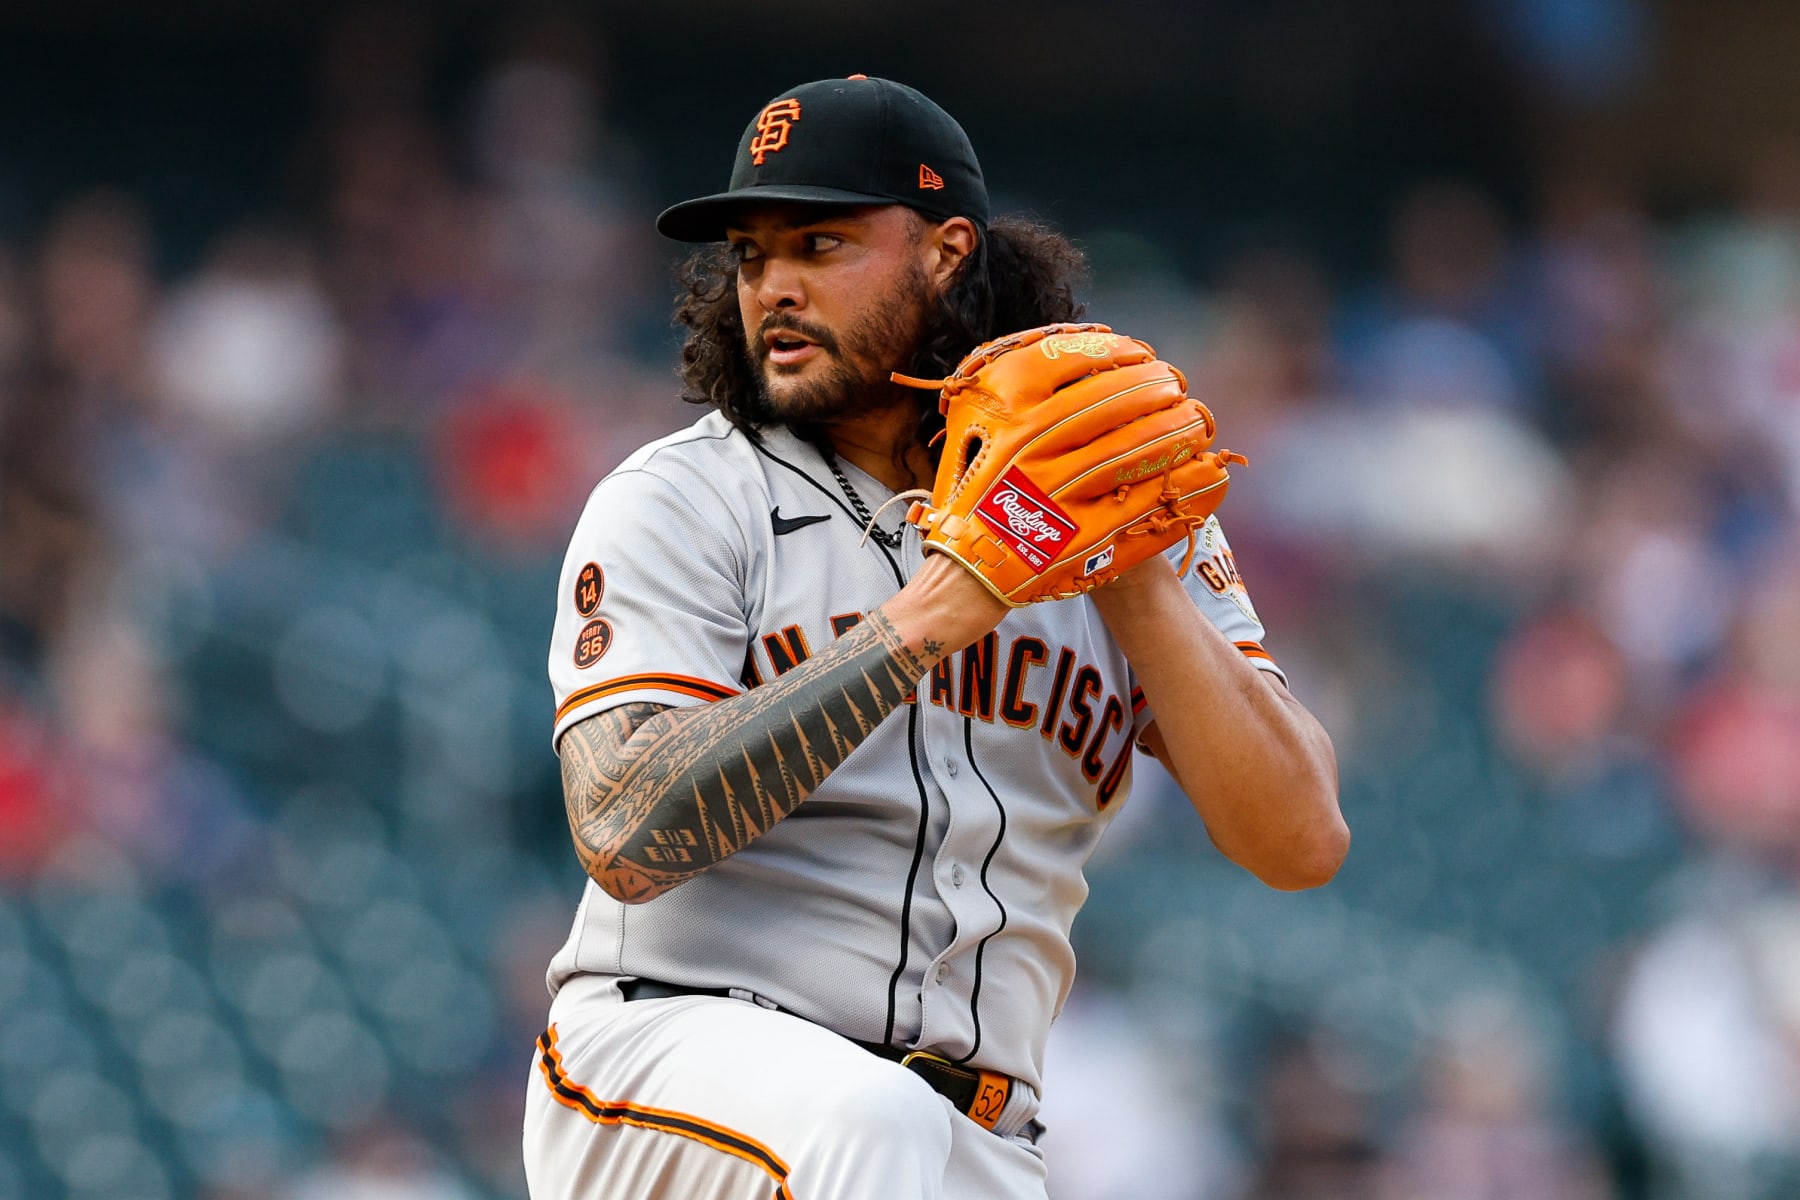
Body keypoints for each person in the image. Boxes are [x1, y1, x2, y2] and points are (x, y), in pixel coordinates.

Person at [522, 75, 1346, 1200]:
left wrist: (1133, 573)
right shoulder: (685, 496)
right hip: (672, 1066)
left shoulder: (1110, 508)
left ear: (948, 250)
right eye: (752, 254)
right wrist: (936, 613)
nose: (775, 287)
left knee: (899, 1131)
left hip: (973, 1134)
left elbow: (1298, 841)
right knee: (874, 1120)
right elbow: (622, 827)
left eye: (820, 243)